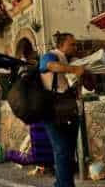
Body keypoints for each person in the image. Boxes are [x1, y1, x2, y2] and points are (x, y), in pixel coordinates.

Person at [39, 32, 86, 187]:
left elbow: (89, 85)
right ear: (61, 45)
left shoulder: (71, 60)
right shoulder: (50, 55)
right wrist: (73, 69)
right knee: (62, 151)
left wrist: (85, 73)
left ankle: (61, 184)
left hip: (70, 111)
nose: (75, 47)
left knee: (67, 153)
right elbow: (49, 66)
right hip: (53, 111)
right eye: (71, 44)